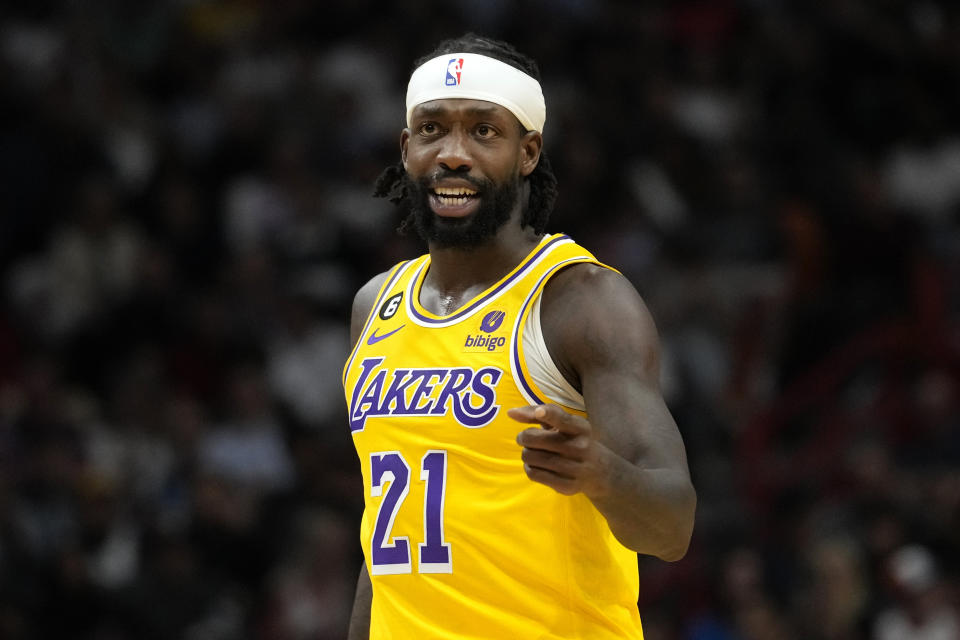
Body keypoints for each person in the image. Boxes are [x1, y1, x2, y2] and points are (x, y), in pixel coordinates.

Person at [342, 34, 696, 639]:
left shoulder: (581, 302)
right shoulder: (376, 305)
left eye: (484, 131)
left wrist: (600, 474)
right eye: (433, 130)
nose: (454, 154)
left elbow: (672, 528)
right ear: (407, 148)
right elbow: (385, 544)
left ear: (528, 152)